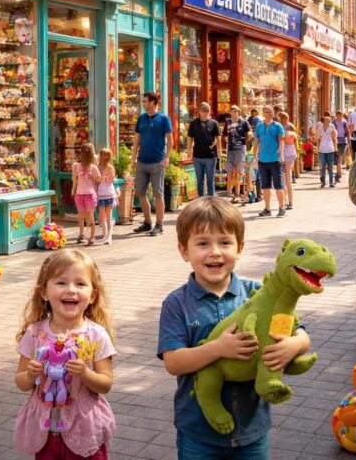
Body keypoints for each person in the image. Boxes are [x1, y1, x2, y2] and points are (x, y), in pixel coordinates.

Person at [157, 197, 311, 459]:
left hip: (252, 429)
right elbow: (173, 362)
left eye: (225, 242)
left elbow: (297, 329)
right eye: (203, 243)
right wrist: (218, 349)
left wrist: (295, 345)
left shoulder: (258, 293)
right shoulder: (176, 304)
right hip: (198, 433)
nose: (215, 252)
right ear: (185, 251)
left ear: (239, 247)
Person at [14, 249, 116, 459]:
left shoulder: (96, 334)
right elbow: (21, 382)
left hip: (85, 430)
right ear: (44, 292)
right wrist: (31, 375)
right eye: (61, 283)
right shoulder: (35, 333)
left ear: (92, 295)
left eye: (80, 284)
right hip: (45, 431)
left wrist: (85, 374)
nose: (71, 290)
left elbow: (105, 384)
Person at [132, 92, 173, 236]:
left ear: (154, 102)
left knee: (158, 194)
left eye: (145, 101)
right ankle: (147, 222)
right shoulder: (141, 119)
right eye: (143, 101)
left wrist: (166, 158)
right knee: (141, 193)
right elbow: (136, 139)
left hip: (157, 162)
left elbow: (170, 140)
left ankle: (159, 224)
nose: (143, 104)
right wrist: (133, 159)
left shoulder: (163, 119)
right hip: (142, 161)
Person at [253, 105, 286, 217]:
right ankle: (267, 208)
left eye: (268, 112)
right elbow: (256, 140)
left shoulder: (278, 126)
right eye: (265, 112)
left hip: (275, 159)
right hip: (262, 160)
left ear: (272, 114)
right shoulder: (259, 126)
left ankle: (281, 207)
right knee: (265, 186)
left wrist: (281, 155)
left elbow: (281, 142)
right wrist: (254, 152)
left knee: (278, 185)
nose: (267, 114)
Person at [188, 102, 221, 198]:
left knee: (210, 181)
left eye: (207, 110)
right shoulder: (194, 123)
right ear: (199, 111)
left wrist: (219, 151)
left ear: (209, 111)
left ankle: (211, 201)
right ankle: (201, 201)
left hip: (211, 156)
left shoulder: (214, 123)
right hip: (197, 156)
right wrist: (189, 151)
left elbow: (218, 137)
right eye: (203, 110)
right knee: (200, 181)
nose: (205, 112)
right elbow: (190, 137)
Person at [72, 143, 101, 246]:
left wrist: (104, 177)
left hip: (89, 194)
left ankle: (92, 236)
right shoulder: (76, 166)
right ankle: (81, 234)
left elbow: (98, 180)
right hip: (79, 194)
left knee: (89, 217)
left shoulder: (93, 167)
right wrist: (73, 191)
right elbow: (74, 180)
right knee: (81, 216)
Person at [224, 106, 251, 204]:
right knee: (229, 172)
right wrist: (226, 139)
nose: (233, 112)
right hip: (230, 149)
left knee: (239, 172)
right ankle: (229, 194)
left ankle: (238, 194)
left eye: (235, 111)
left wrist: (248, 137)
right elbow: (224, 134)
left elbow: (249, 133)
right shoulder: (228, 122)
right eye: (231, 111)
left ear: (239, 112)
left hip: (240, 149)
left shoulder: (243, 122)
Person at [95, 148, 117, 245]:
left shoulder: (110, 167)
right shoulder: (97, 166)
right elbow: (96, 181)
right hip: (100, 194)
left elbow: (111, 180)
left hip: (109, 193)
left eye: (107, 155)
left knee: (108, 216)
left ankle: (109, 236)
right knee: (102, 217)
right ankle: (104, 235)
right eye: (103, 155)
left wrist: (104, 176)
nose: (105, 157)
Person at [313, 112, 338, 188]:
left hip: (330, 148)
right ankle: (323, 181)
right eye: (326, 121)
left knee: (330, 166)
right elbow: (317, 138)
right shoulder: (320, 126)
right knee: (322, 166)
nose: (328, 123)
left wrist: (335, 148)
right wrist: (317, 145)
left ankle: (331, 182)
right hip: (322, 149)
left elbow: (334, 138)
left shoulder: (332, 127)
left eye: (329, 121)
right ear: (323, 121)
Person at [278, 112, 297, 210]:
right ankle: (286, 200)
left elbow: (294, 138)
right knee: (284, 179)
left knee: (287, 179)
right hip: (283, 154)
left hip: (288, 154)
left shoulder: (290, 128)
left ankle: (289, 201)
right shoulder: (278, 127)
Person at [333, 110, 349, 182]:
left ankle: (338, 174)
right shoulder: (333, 122)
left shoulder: (344, 122)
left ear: (342, 115)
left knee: (339, 157)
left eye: (340, 115)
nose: (339, 117)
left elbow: (347, 131)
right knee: (337, 157)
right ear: (336, 115)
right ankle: (338, 174)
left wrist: (348, 140)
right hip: (336, 142)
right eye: (338, 115)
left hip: (343, 141)